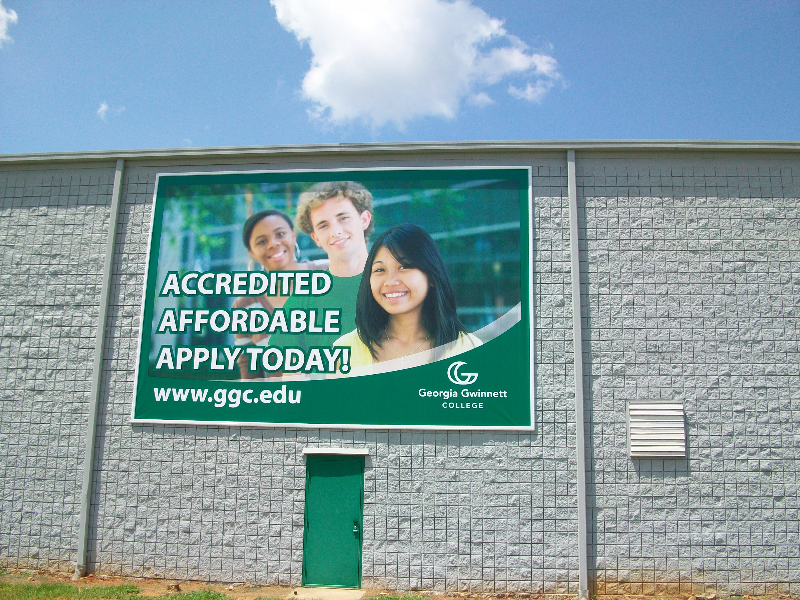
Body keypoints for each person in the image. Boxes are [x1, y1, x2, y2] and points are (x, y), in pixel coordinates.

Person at [334, 224, 480, 372]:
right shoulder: (346, 350)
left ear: (431, 276)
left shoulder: (468, 349)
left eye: (404, 267)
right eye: (380, 270)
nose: (390, 281)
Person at [267, 181, 373, 354]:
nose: (335, 232)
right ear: (316, 238)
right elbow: (283, 367)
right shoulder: (302, 301)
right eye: (324, 225)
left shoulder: (396, 284)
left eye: (343, 218)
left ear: (364, 219)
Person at [232, 209, 327, 378]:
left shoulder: (330, 271)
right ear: (251, 252)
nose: (273, 244)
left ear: (293, 235)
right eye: (262, 241)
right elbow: (250, 373)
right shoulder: (245, 305)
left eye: (280, 234)